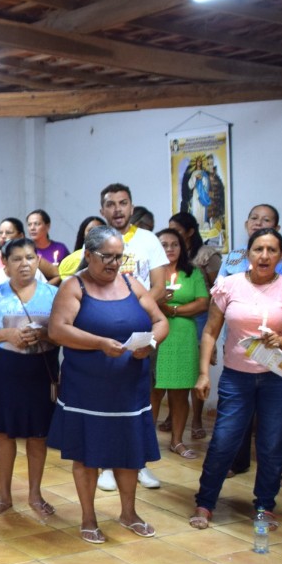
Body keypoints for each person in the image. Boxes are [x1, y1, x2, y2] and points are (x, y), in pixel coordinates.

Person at [47, 226, 168, 544]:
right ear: (88, 255)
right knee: (87, 454)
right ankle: (88, 518)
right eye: (107, 257)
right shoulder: (74, 287)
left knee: (130, 452)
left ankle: (128, 513)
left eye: (119, 257)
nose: (114, 264)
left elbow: (160, 320)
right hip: (87, 389)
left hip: (129, 387)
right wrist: (100, 343)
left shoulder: (131, 282)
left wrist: (151, 343)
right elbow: (58, 330)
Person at [190, 227, 282, 531]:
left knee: (271, 444)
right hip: (237, 378)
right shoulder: (228, 286)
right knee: (224, 441)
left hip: (281, 379)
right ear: (248, 255)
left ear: (280, 256)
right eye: (258, 249)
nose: (265, 256)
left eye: (272, 250)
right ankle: (205, 503)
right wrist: (204, 373)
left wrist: (278, 341)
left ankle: (265, 507)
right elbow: (210, 331)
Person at [216, 203, 282, 484]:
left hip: (276, 347)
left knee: (280, 416)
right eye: (254, 219)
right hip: (239, 344)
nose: (259, 223)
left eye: (266, 219)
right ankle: (238, 460)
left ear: (277, 229)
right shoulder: (233, 257)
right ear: (247, 226)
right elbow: (220, 298)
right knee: (237, 412)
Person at [0, 238, 59, 520]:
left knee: (38, 435)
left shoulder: (54, 294)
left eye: (31, 257)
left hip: (40, 369)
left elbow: (64, 332)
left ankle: (35, 494)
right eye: (17, 259)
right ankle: (4, 495)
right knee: (5, 433)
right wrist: (6, 334)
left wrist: (43, 335)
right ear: (6, 266)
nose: (25, 264)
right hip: (5, 369)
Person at [96, 184, 169, 492]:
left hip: (139, 331)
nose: (118, 209)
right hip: (103, 332)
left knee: (140, 400)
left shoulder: (148, 240)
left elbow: (160, 285)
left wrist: (134, 313)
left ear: (131, 205)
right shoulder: (96, 240)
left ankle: (138, 464)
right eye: (111, 204)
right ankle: (105, 466)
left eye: (123, 203)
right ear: (102, 211)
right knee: (104, 400)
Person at [150, 228, 208, 461]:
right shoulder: (151, 272)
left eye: (174, 244)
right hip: (156, 332)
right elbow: (143, 299)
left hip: (183, 334)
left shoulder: (191, 272)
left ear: (182, 247)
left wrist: (173, 309)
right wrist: (160, 305)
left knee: (180, 392)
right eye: (164, 245)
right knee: (153, 391)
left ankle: (177, 441)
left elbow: (203, 303)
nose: (170, 249)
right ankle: (147, 441)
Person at [164, 211, 222, 440]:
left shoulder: (206, 254)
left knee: (197, 370)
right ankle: (171, 417)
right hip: (168, 322)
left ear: (189, 232)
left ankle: (197, 418)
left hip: (199, 319)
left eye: (177, 231)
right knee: (168, 373)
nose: (171, 241)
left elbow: (216, 291)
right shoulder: (164, 261)